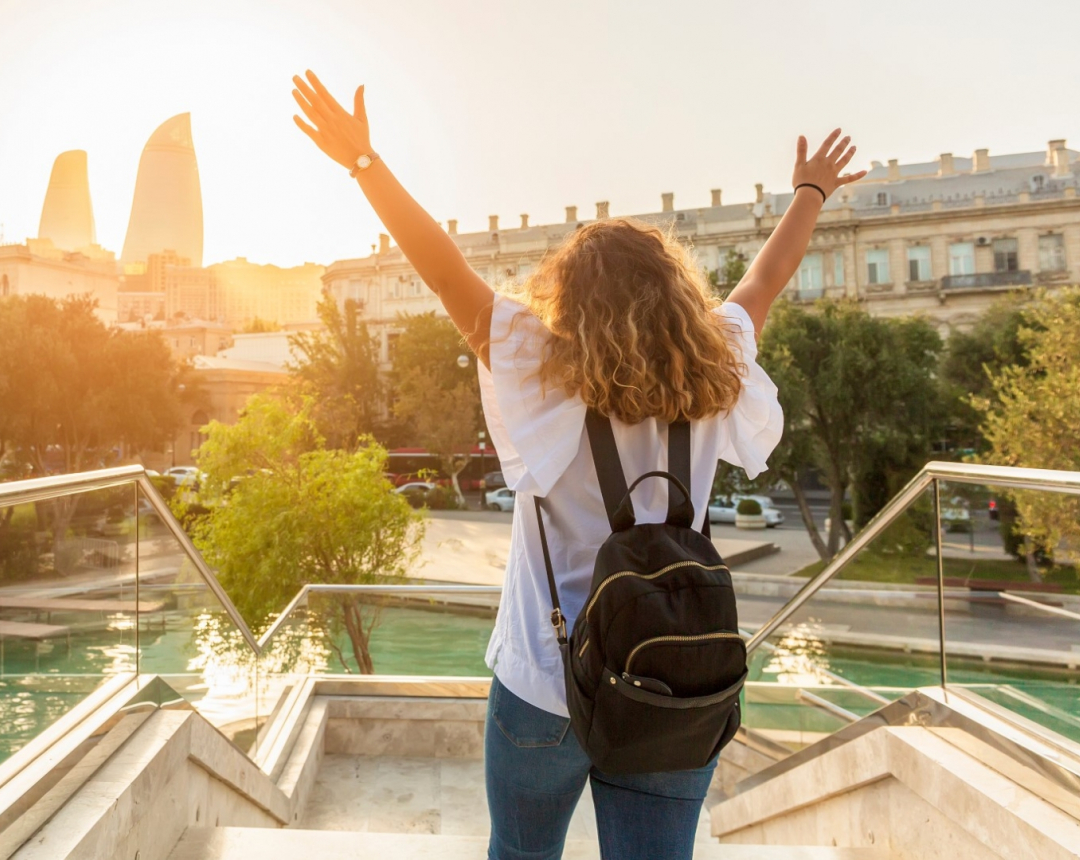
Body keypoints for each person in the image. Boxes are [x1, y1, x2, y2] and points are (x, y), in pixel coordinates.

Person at [291, 70, 866, 860]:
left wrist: (364, 164)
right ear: (675, 293)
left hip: (544, 681)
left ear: (569, 297)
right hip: (673, 677)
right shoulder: (716, 363)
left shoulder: (537, 365)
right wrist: (810, 190)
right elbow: (766, 279)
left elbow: (443, 269)